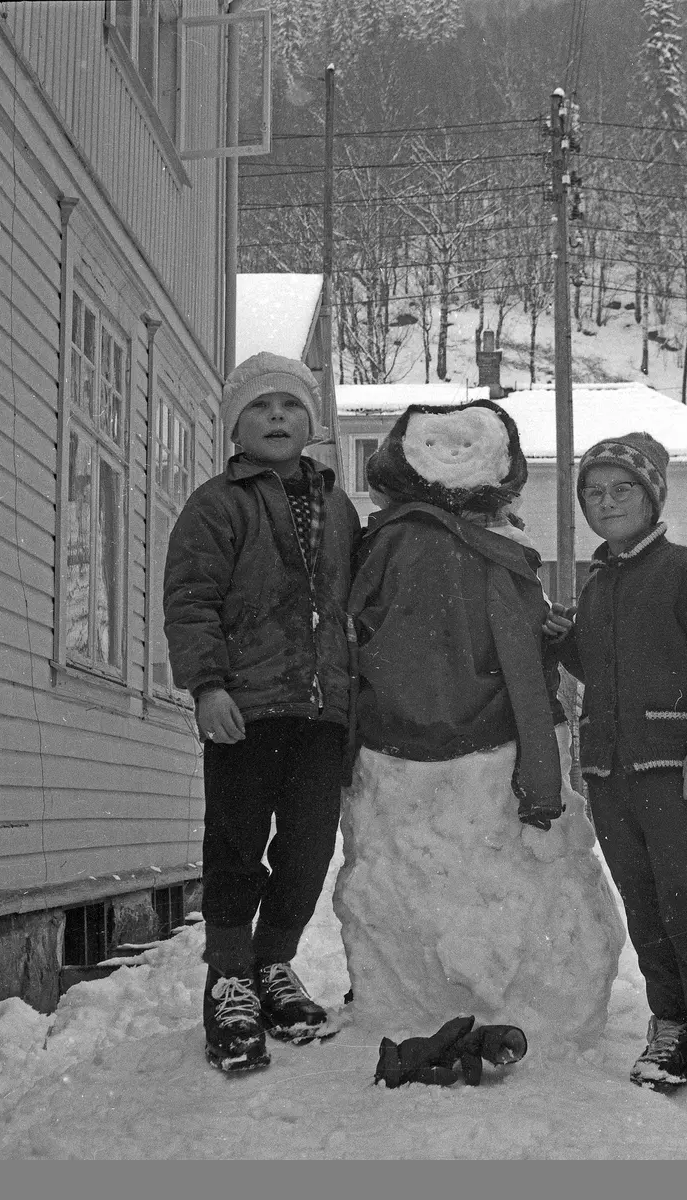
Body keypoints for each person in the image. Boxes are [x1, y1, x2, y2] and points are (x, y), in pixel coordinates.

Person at [334, 399, 625, 1047]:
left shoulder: (502, 553)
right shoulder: (388, 546)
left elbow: (524, 661)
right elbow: (351, 641)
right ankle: (412, 1010)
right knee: (417, 885)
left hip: (487, 757)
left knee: (511, 891)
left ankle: (535, 1016)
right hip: (405, 757)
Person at [163, 351, 360, 1073]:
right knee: (237, 847)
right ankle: (229, 978)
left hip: (322, 712)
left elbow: (357, 605)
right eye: (259, 408)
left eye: (289, 407)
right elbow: (190, 601)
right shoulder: (217, 504)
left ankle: (273, 964)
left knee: (307, 851)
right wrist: (207, 686)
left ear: (311, 424)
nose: (276, 418)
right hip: (245, 707)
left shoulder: (338, 507)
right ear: (235, 428)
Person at [546, 431, 687, 1114]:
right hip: (607, 771)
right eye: (593, 493)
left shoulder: (684, 571)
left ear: (652, 495)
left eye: (620, 489)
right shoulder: (598, 582)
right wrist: (556, 634)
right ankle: (673, 1029)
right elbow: (595, 667)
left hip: (674, 768)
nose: (606, 503)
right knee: (645, 907)